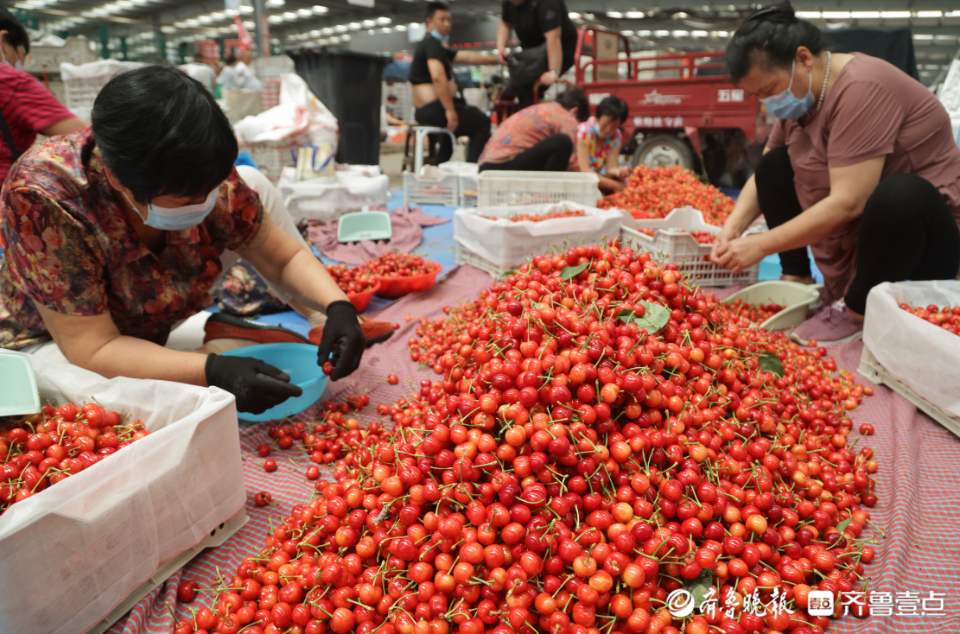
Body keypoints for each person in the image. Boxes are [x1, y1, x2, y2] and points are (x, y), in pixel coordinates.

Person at [0, 66, 366, 415]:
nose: (205, 203)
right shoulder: (43, 198)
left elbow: (282, 258)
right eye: (186, 200)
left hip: (152, 307)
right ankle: (210, 351)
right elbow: (93, 347)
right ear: (116, 179)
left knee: (254, 183)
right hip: (57, 340)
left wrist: (337, 306)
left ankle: (204, 350)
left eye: (212, 189)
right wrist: (212, 372)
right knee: (112, 406)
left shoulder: (198, 162)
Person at [710, 2, 960, 344]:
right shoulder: (802, 98)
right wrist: (733, 228)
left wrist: (761, 245)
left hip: (918, 240)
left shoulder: (863, 88)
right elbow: (763, 173)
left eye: (769, 90)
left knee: (901, 195)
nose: (768, 102)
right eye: (758, 96)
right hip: (864, 233)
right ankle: (797, 278)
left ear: (803, 58)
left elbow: (848, 203)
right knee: (774, 166)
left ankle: (857, 309)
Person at [0, 7, 88, 186]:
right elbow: (87, 138)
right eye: (18, 57)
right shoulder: (11, 80)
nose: (19, 65)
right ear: (3, 40)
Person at [410, 2, 498, 164]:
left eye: (449, 20)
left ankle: (437, 167)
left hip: (431, 110)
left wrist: (496, 59)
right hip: (433, 110)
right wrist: (450, 110)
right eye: (442, 19)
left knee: (458, 127)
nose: (447, 24)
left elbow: (468, 57)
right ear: (429, 22)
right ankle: (472, 168)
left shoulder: (438, 47)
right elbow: (438, 77)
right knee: (481, 122)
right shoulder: (432, 44)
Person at [478, 85, 588, 172]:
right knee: (563, 142)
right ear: (575, 110)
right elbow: (573, 163)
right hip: (502, 164)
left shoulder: (543, 108)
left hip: (486, 166)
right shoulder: (567, 117)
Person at [497, 0, 578, 109]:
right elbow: (505, 23)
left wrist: (553, 71)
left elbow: (553, 37)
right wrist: (501, 47)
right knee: (521, 85)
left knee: (531, 85)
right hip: (533, 49)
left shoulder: (547, 3)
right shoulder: (508, 3)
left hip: (562, 48)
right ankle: (529, 114)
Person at [577, 96, 631, 192]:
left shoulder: (615, 136)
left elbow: (611, 167)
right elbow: (585, 170)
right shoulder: (584, 131)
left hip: (598, 181)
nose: (609, 129)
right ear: (598, 117)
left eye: (614, 126)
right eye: (606, 123)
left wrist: (619, 172)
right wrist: (615, 185)